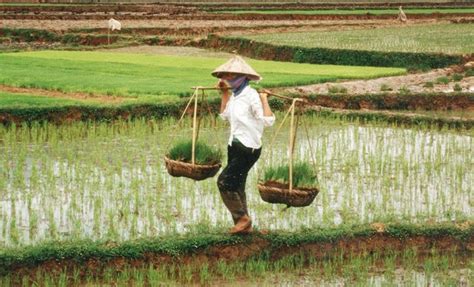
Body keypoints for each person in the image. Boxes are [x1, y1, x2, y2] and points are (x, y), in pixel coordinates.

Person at [212, 56, 275, 234]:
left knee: (224, 182)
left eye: (232, 75)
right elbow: (224, 115)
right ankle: (243, 226)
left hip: (248, 148)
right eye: (226, 75)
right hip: (234, 145)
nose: (228, 78)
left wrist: (264, 99)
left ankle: (242, 219)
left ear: (242, 77)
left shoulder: (251, 96)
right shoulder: (234, 96)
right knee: (236, 185)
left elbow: (268, 120)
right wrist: (224, 93)